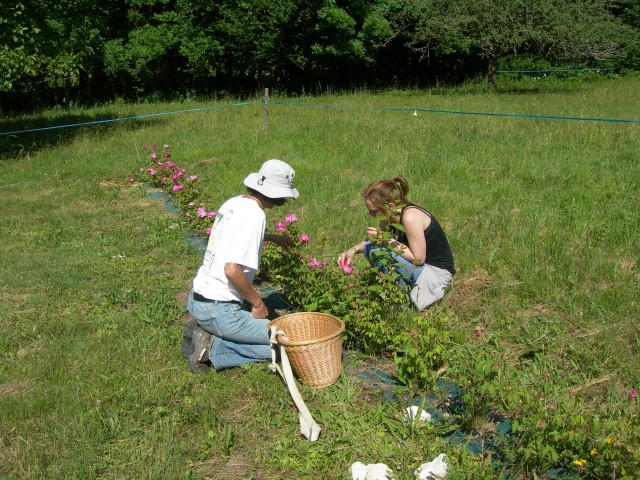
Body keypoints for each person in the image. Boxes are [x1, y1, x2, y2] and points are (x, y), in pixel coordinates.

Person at [181, 159, 299, 374]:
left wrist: (272, 238)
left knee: (277, 340)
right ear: (277, 193)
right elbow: (231, 270)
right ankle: (212, 348)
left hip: (199, 298)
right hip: (220, 310)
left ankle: (206, 330)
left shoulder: (234, 202)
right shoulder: (256, 215)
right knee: (290, 346)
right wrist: (257, 302)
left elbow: (232, 236)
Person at [337, 176, 454, 311]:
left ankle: (401, 301)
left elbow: (418, 259)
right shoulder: (389, 215)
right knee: (371, 248)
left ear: (390, 206)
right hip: (421, 269)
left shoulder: (410, 217)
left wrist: (387, 241)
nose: (370, 214)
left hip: (436, 275)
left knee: (375, 251)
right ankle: (398, 294)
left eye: (373, 210)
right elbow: (376, 240)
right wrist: (353, 249)